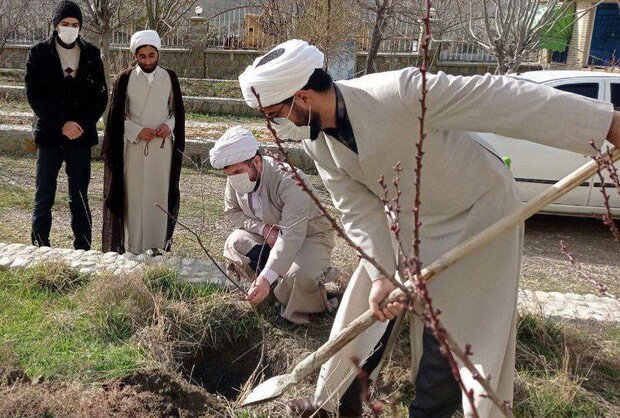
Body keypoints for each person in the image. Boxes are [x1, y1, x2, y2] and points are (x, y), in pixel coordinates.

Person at [238, 39, 620, 417]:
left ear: (303, 97)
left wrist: (606, 123)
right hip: (406, 219)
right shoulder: (317, 142)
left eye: (276, 115)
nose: (277, 127)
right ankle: (336, 404)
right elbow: (356, 209)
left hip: (477, 213)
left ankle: (429, 411)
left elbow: (502, 99)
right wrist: (381, 276)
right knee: (365, 317)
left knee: (451, 336)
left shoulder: (399, 94)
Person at [210, 126, 338, 324]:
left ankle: (308, 303)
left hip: (309, 235)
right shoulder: (235, 180)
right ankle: (271, 289)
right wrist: (264, 229)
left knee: (298, 276)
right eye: (229, 173)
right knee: (235, 243)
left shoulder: (290, 179)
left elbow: (292, 234)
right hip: (272, 232)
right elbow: (232, 211)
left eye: (238, 171)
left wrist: (266, 277)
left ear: (256, 161)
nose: (234, 178)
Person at [25, 0, 107, 251]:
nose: (70, 28)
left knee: (79, 195)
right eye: (65, 23)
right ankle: (40, 246)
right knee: (44, 194)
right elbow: (34, 94)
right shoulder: (39, 53)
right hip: (50, 134)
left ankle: (82, 248)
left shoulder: (91, 54)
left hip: (80, 137)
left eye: (75, 24)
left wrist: (79, 124)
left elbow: (100, 96)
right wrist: (62, 124)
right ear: (55, 25)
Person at [101, 30, 185, 255]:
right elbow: (117, 116)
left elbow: (175, 112)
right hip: (135, 147)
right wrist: (137, 131)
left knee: (159, 193)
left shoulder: (170, 77)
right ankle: (134, 245)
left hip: (161, 148)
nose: (148, 61)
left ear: (158, 54)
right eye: (143, 56)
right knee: (134, 195)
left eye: (152, 55)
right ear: (135, 56)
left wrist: (170, 125)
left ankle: (156, 244)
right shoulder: (125, 78)